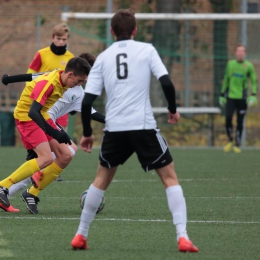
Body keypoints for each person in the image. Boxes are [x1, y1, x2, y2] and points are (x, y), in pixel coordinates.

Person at [70, 9, 198, 253]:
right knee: (170, 178)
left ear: (112, 32)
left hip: (114, 129)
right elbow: (167, 82)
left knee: (100, 181)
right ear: (135, 30)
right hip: (143, 126)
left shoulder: (105, 57)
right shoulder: (147, 50)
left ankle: (80, 235)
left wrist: (87, 132)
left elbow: (87, 102)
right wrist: (173, 109)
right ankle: (182, 237)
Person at [0, 53, 105, 213]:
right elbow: (33, 112)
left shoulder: (63, 80)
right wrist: (54, 133)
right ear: (72, 74)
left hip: (44, 117)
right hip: (28, 118)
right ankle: (4, 187)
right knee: (46, 158)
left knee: (66, 154)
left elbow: (33, 80)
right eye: (80, 80)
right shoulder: (51, 82)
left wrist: (8, 79)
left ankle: (31, 192)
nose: (82, 84)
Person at [27, 22, 74, 181]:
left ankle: (54, 168)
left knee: (60, 137)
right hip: (43, 102)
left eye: (64, 39)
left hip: (60, 104)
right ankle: (37, 166)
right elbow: (30, 75)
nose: (61, 42)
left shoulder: (70, 58)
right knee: (44, 135)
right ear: (52, 37)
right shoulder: (42, 54)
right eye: (58, 38)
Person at [219, 44, 258, 153]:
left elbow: (254, 81)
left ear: (245, 53)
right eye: (238, 51)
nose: (240, 53)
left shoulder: (249, 66)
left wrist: (253, 94)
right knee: (228, 119)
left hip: (242, 98)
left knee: (240, 121)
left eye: (242, 51)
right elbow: (226, 79)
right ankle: (230, 139)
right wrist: (222, 95)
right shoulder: (230, 64)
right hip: (231, 97)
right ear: (235, 53)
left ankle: (237, 143)